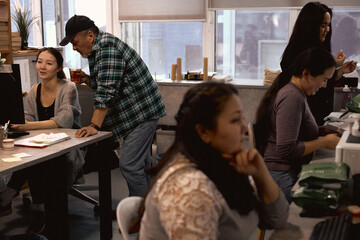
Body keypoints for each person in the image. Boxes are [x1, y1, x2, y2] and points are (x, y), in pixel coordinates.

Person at [139, 82, 289, 239]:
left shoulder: (224, 163)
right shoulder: (190, 186)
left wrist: (261, 174)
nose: (244, 128)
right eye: (235, 120)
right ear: (204, 131)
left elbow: (276, 220)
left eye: (242, 119)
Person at [59, 15, 166, 197]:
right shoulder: (98, 48)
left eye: (75, 42)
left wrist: (94, 126)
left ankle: (140, 219)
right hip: (139, 112)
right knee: (142, 166)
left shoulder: (107, 47)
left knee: (130, 166)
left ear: (90, 35)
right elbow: (112, 83)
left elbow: (107, 92)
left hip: (142, 113)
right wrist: (88, 80)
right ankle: (146, 212)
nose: (74, 48)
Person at [0, 47, 83, 232]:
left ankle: (12, 197)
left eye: (49, 63)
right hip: (41, 144)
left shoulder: (68, 87)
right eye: (39, 62)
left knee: (38, 161)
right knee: (29, 157)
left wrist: (28, 127)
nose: (42, 66)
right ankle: (40, 209)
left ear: (58, 67)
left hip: (68, 147)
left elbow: (63, 121)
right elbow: (28, 117)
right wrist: (22, 126)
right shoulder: (34, 90)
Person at [255, 47, 340, 203]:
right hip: (281, 174)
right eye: (324, 79)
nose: (324, 85)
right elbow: (286, 150)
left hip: (286, 170)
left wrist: (322, 131)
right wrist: (324, 142)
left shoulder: (297, 93)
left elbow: (296, 129)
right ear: (306, 74)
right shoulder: (291, 97)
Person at [280, 1, 357, 126]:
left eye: (328, 25)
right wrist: (333, 64)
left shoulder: (320, 48)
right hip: (307, 117)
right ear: (310, 26)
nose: (327, 30)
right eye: (323, 25)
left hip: (319, 117)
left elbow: (323, 81)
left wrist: (340, 70)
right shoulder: (297, 52)